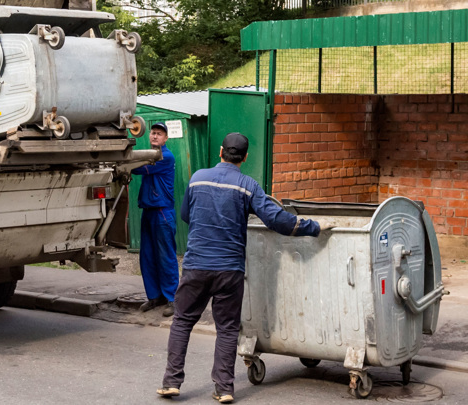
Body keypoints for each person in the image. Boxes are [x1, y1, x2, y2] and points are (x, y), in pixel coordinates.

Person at [156, 132, 334, 403]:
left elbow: (185, 215)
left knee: (182, 322)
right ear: (245, 157)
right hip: (230, 270)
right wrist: (315, 227)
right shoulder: (248, 186)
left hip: (196, 265)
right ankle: (224, 388)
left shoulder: (197, 178)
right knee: (227, 328)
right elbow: (278, 220)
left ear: (220, 152)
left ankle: (171, 382)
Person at [131, 122, 180, 317]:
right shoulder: (148, 154)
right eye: (152, 133)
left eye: (159, 134)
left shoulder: (164, 156)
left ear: (166, 138)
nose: (154, 136)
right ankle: (155, 296)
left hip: (162, 213)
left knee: (166, 256)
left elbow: (137, 169)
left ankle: (172, 298)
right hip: (149, 211)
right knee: (148, 256)